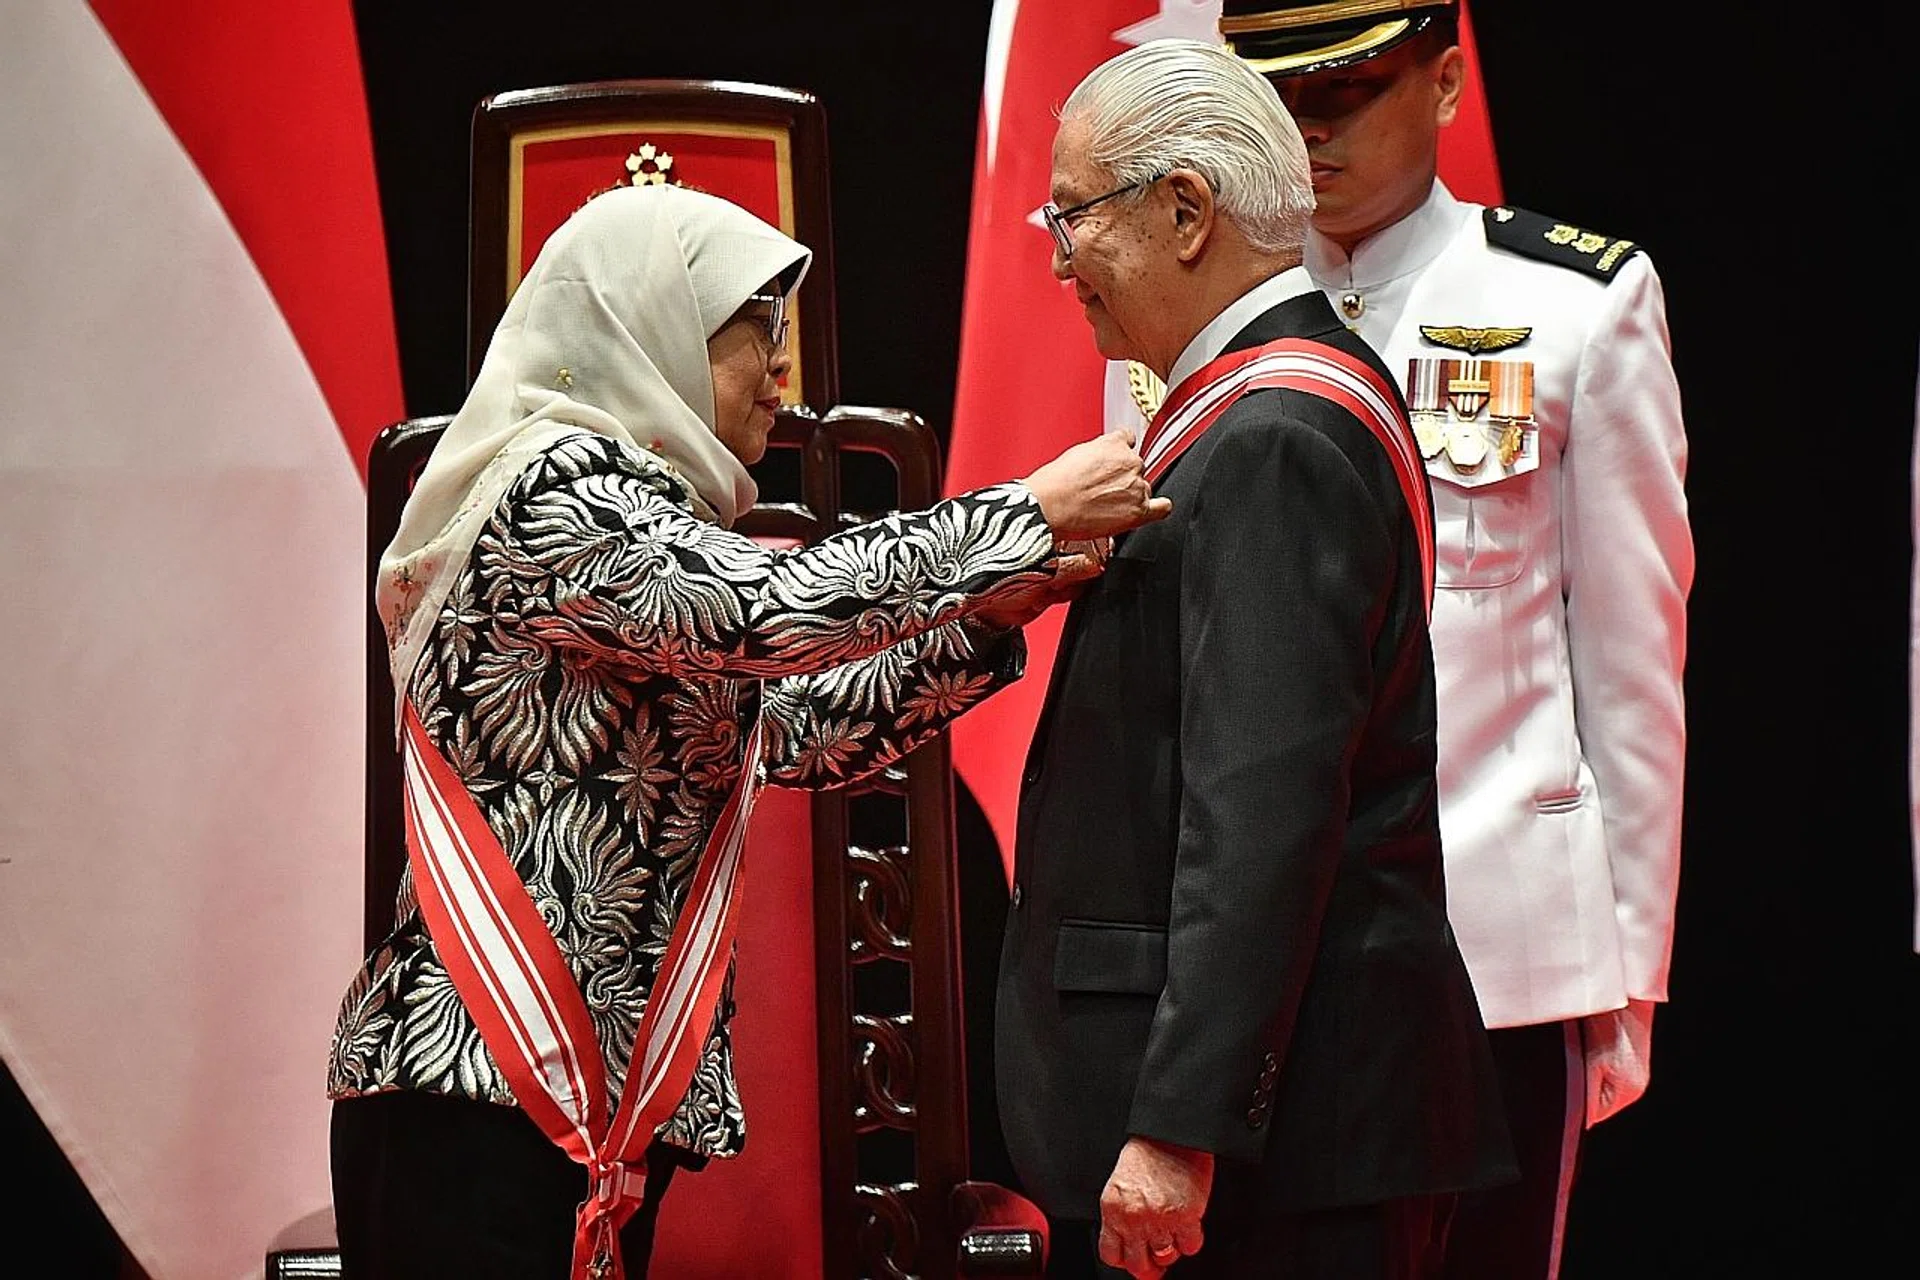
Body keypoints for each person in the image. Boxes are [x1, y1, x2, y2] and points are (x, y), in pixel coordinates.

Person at [324, 183, 1169, 1279]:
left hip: (589, 1117)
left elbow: (788, 731)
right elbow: (760, 614)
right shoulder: (548, 489)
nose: (785, 375)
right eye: (754, 336)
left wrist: (981, 624)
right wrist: (1021, 515)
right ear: (650, 333)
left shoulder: (643, 513)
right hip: (466, 1099)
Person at [993, 39, 1514, 1280]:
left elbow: (1262, 813)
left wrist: (1180, 1124)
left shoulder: (1275, 433)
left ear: (1184, 211)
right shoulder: (1252, 412)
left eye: (1072, 217)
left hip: (1282, 1157)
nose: (1058, 261)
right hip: (1285, 1138)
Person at [1215, 3, 1696, 1276]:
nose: (1307, 132)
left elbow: (1635, 665)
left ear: (1442, 78)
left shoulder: (1574, 303)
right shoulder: (1205, 312)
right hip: (1257, 963)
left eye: (1349, 92)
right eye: (1278, 98)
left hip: (1498, 939)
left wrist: (1629, 970)